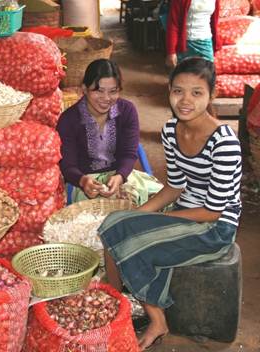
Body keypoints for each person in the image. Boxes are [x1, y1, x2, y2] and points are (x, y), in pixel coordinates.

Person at [98, 57, 242, 350]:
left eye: (196, 93)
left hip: (215, 227)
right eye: (178, 91)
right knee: (115, 227)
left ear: (211, 95)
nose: (185, 100)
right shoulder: (171, 131)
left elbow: (213, 210)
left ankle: (156, 319)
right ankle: (118, 304)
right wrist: (137, 216)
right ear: (170, 92)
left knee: (122, 234)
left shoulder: (224, 142)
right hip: (186, 211)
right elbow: (174, 187)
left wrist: (139, 224)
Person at [57, 58, 161, 206]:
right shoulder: (69, 120)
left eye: (113, 91)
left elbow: (129, 153)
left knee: (162, 201)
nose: (106, 98)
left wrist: (120, 176)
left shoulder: (127, 111)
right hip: (85, 184)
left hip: (122, 176)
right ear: (84, 89)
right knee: (118, 211)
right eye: (99, 91)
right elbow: (68, 165)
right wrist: (83, 180)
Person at [166, 0, 221, 67]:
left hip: (206, 43)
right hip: (186, 45)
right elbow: (173, 24)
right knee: (185, 75)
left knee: (207, 74)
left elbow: (214, 23)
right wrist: (171, 52)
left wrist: (215, 44)